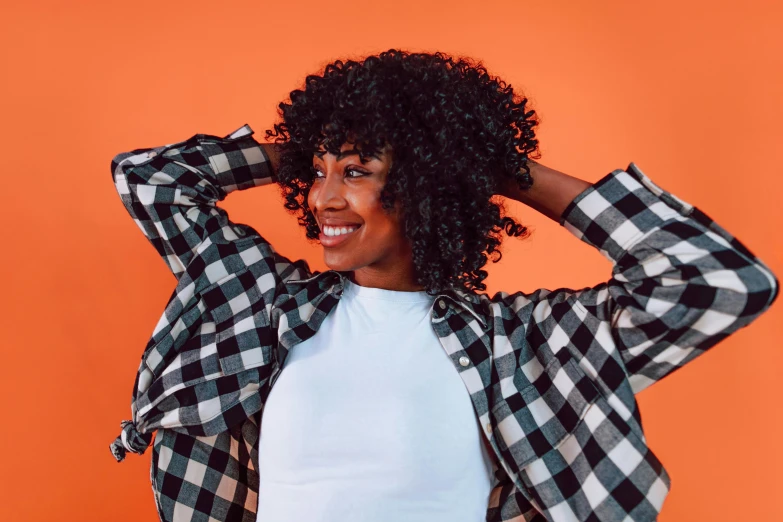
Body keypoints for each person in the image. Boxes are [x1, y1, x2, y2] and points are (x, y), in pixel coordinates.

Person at [108, 49, 778, 522]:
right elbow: (150, 180)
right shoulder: (265, 307)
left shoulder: (517, 344)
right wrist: (324, 144)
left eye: (357, 173)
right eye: (318, 173)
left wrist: (495, 169)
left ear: (427, 186)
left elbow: (717, 281)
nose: (321, 199)